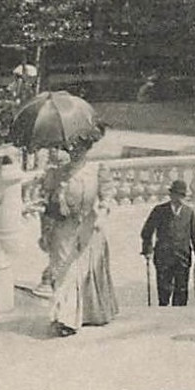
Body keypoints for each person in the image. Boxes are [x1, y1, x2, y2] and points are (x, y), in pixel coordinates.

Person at [42, 131, 118, 336]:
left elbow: (107, 196)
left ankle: (81, 314)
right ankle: (63, 317)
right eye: (72, 148)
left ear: (87, 149)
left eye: (80, 148)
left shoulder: (97, 171)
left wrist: (101, 214)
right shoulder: (58, 173)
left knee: (82, 272)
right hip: (63, 229)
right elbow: (47, 206)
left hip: (88, 228)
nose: (75, 152)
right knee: (62, 270)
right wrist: (46, 229)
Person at [140, 179, 195, 307]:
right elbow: (147, 231)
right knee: (164, 290)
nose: (179, 198)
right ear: (171, 195)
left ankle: (179, 322)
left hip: (183, 256)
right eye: (176, 194)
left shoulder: (188, 212)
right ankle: (163, 319)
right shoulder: (159, 210)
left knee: (181, 291)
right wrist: (147, 249)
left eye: (182, 195)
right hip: (164, 257)